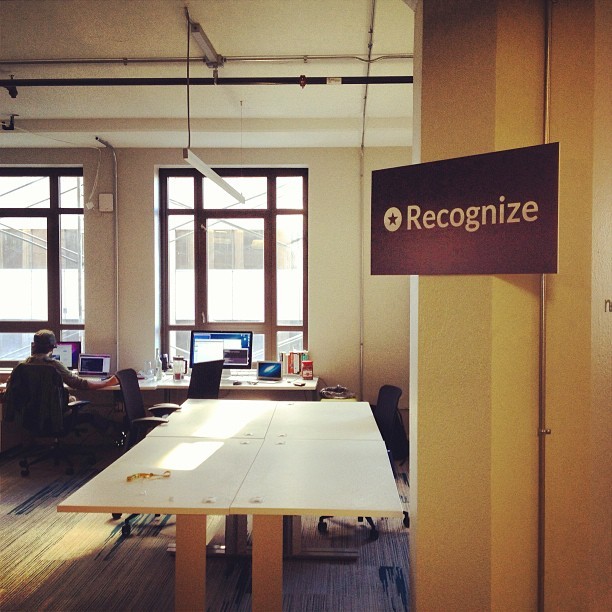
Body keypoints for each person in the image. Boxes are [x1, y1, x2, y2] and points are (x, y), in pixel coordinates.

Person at [14, 329, 119, 391]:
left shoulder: (21, 366)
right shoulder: (54, 365)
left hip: (28, 415)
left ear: (34, 346)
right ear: (52, 348)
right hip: (53, 411)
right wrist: (107, 383)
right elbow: (79, 384)